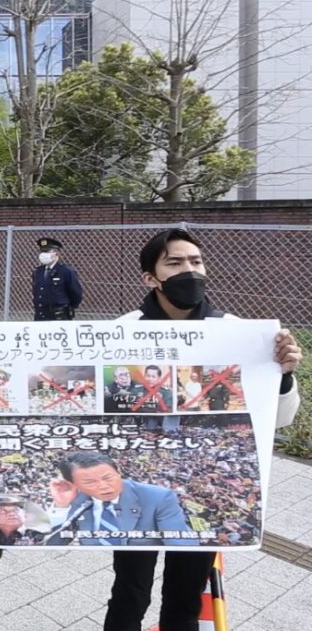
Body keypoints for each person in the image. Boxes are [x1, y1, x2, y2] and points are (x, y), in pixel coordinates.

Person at [102, 228, 302, 631]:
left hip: (202, 489)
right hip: (136, 481)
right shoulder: (122, 330)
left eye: (195, 261)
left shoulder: (238, 332)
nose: (188, 270)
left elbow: (279, 418)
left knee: (186, 596)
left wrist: (282, 374)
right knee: (130, 590)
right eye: (174, 263)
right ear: (150, 277)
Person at [45, 451, 195, 547]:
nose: (104, 486)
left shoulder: (159, 497)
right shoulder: (75, 498)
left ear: (119, 472)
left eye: (108, 478)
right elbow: (48, 548)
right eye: (90, 482)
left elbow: (181, 545)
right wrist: (61, 506)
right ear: (74, 484)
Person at [32, 237, 83, 321]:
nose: (43, 254)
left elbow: (76, 294)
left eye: (47, 251)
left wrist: (68, 307)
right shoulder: (38, 271)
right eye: (42, 251)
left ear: (56, 253)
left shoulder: (65, 271)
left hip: (59, 316)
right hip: (41, 316)